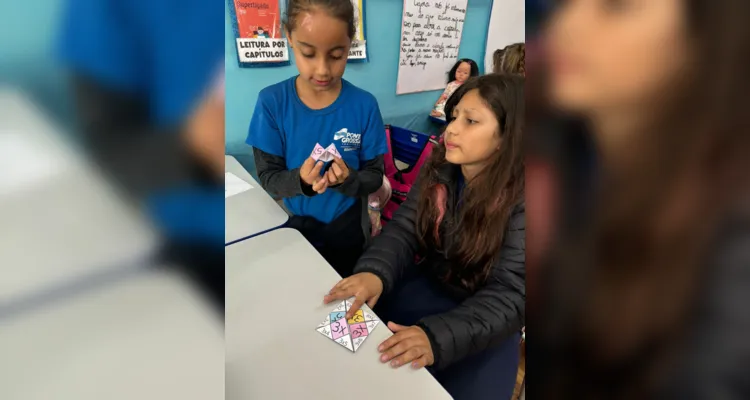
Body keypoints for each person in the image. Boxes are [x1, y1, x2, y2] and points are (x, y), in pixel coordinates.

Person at [531, 0, 750, 398]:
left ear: (707, 34)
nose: (566, 25)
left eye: (616, 6)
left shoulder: (733, 235)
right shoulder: (568, 149)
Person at [325, 74, 525, 400]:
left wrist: (435, 338)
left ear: (507, 136)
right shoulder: (440, 167)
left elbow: (513, 294)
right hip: (426, 286)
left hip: (488, 322)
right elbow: (404, 230)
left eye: (471, 121)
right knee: (340, 344)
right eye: (454, 116)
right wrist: (373, 272)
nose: (452, 130)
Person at [58, 0, 225, 309]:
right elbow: (107, 152)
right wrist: (193, 145)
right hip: (188, 254)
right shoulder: (107, 12)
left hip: (277, 227)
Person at [247, 0, 387, 277]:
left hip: (348, 228)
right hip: (294, 225)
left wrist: (349, 180)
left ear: (350, 44)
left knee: (343, 298)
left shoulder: (364, 105)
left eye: (336, 55)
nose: (323, 70)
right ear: (289, 38)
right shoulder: (272, 102)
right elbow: (268, 177)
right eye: (308, 53)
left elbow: (375, 175)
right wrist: (301, 180)